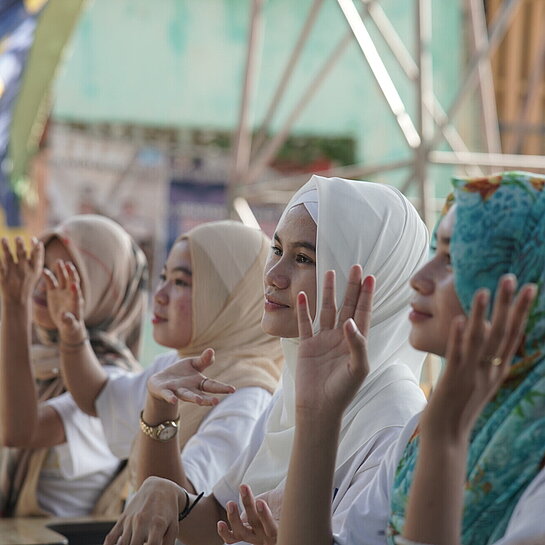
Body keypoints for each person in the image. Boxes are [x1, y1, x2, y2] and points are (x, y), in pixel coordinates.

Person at [104, 174, 430, 545]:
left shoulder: (394, 424)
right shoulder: (289, 395)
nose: (274, 276)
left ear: (371, 282)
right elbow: (219, 521)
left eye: (304, 258)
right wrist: (172, 497)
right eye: (276, 250)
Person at [268, 171, 545, 545]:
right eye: (435, 253)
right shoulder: (418, 433)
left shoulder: (420, 424)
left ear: (522, 284)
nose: (420, 277)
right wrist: (317, 416)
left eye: (453, 259)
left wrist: (444, 441)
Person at [48, 220, 284, 499]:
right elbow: (97, 397)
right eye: (163, 278)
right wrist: (71, 332)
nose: (159, 296)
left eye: (181, 282)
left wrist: (159, 412)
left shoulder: (245, 398)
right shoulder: (174, 367)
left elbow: (177, 502)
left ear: (230, 299)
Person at [0, 215, 147, 517]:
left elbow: (16, 431)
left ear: (106, 293)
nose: (42, 283)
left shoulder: (111, 384)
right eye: (40, 268)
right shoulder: (31, 351)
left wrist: (16, 307)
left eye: (66, 276)